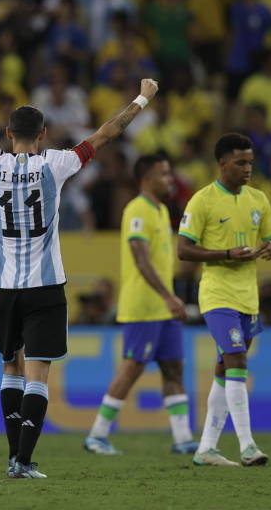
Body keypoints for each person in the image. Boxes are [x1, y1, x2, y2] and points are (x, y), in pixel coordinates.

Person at [0, 77, 159, 479]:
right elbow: (107, 134)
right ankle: (22, 461)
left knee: (10, 368)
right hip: (44, 286)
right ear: (43, 135)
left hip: (0, 286)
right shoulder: (56, 164)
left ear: (8, 134)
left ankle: (14, 457)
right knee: (38, 373)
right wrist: (142, 98)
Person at [178, 133, 271, 467]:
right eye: (240, 162)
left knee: (225, 369)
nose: (247, 168)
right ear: (222, 163)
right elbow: (184, 249)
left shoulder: (258, 200)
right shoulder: (202, 201)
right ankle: (247, 445)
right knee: (237, 360)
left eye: (250, 162)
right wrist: (225, 253)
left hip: (248, 298)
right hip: (217, 294)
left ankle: (206, 448)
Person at [84, 153, 197, 456]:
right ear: (147, 177)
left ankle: (183, 438)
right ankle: (97, 435)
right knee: (132, 369)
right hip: (145, 307)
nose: (170, 179)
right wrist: (169, 295)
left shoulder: (160, 210)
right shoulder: (137, 209)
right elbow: (140, 257)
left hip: (164, 308)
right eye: (164, 174)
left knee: (174, 370)